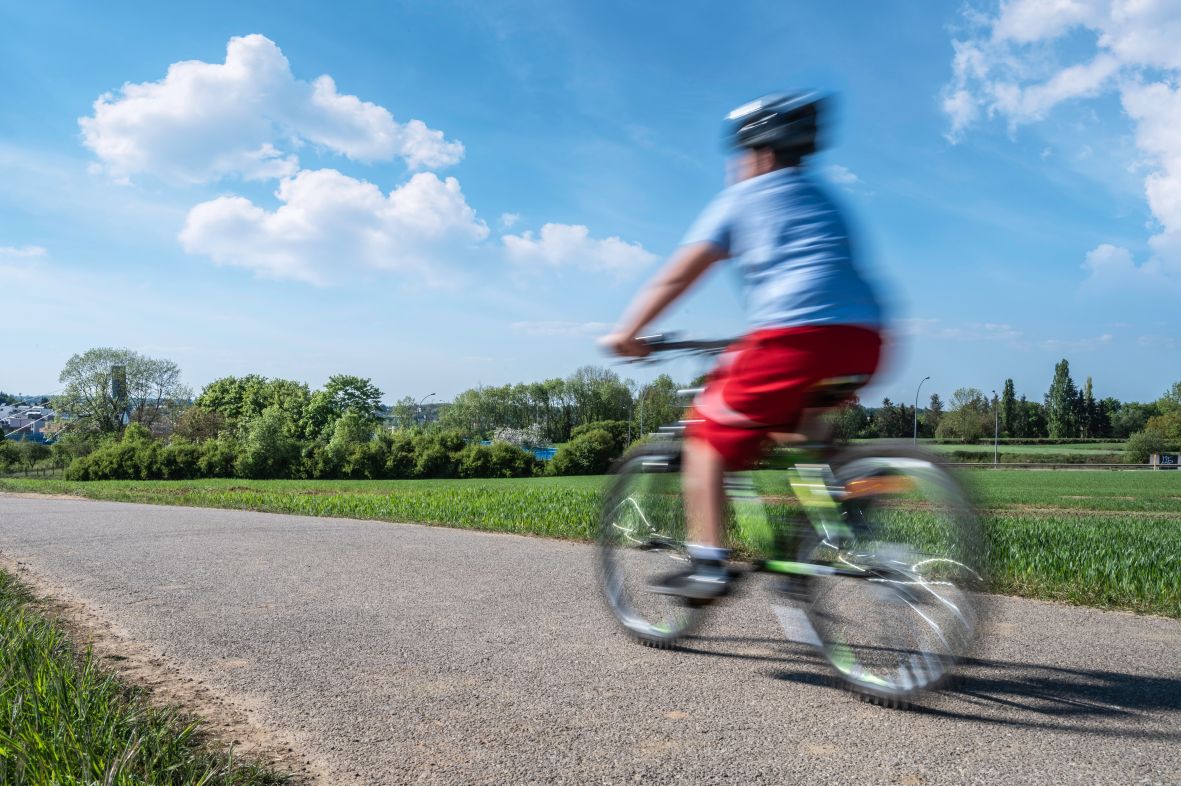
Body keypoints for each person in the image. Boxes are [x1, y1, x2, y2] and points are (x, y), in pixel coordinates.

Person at [600, 92, 885, 599]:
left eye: (741, 154)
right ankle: (838, 515)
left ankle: (708, 564)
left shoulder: (743, 198)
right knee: (797, 425)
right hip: (864, 339)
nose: (736, 166)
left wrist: (628, 331)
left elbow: (676, 278)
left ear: (763, 153)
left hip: (794, 336)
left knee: (705, 433)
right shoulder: (823, 197)